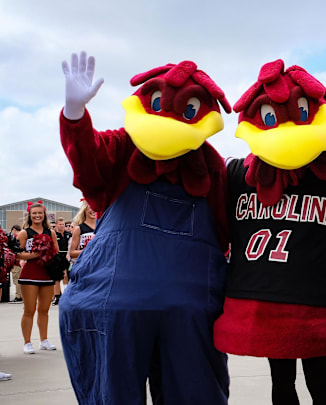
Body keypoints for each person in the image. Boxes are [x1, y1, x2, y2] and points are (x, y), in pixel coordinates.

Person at [59, 52, 232, 403]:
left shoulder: (212, 167)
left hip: (188, 312)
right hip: (119, 306)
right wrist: (75, 116)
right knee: (115, 393)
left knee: (195, 393)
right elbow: (89, 159)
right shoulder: (124, 148)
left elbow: (230, 225)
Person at [213, 60, 326, 405]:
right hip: (273, 298)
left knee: (317, 382)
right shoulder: (242, 174)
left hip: (315, 299)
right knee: (285, 383)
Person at [15, 202, 60, 354]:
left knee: (44, 309)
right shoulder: (24, 233)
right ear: (29, 215)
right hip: (29, 275)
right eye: (34, 213)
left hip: (47, 274)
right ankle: (27, 342)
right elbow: (16, 254)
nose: (37, 215)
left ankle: (44, 340)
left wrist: (52, 258)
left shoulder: (51, 232)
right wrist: (34, 254)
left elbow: (56, 252)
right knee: (29, 309)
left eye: (40, 213)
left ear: (44, 214)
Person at [68, 200, 96, 266]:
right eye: (90, 207)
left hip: (100, 265)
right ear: (84, 209)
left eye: (95, 207)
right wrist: (89, 250)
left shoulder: (102, 227)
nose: (93, 210)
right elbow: (72, 253)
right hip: (84, 265)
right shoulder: (78, 228)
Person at [52, 217, 72, 305]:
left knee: (66, 275)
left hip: (68, 257)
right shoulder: (54, 234)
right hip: (57, 257)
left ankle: (67, 294)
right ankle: (57, 296)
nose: (62, 226)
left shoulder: (69, 234)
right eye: (60, 224)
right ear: (56, 225)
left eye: (63, 224)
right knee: (57, 277)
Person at [9, 225, 23, 303]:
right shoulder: (21, 237)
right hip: (19, 261)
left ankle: (19, 296)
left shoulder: (14, 238)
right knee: (18, 279)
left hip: (15, 262)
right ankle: (20, 295)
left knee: (16, 279)